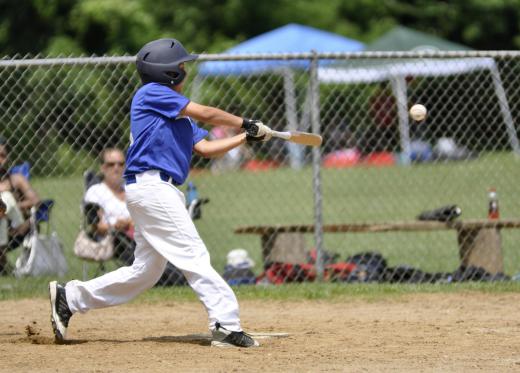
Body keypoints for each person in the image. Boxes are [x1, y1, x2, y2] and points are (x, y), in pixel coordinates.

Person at [49, 37, 272, 348]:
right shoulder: (153, 93)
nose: (185, 69)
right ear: (167, 72)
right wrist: (245, 122)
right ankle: (226, 324)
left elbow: (206, 148)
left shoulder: (178, 114)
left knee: (145, 271)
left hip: (155, 190)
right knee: (194, 255)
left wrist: (244, 137)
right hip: (153, 188)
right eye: (181, 65)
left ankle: (69, 296)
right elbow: (207, 112)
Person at [83, 148, 134, 265]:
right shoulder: (95, 192)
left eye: (121, 164)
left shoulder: (132, 189)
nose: (116, 168)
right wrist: (116, 227)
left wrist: (130, 223)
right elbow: (96, 227)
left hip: (139, 233)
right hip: (115, 240)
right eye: (111, 164)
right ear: (102, 167)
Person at [0, 136, 40, 216]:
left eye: (2, 156)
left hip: (13, 222)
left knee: (7, 197)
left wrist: (11, 206)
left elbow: (36, 201)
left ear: (8, 158)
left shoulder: (16, 179)